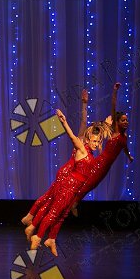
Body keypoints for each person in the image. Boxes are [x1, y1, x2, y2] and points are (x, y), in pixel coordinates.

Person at [28, 108, 96, 256]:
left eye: (98, 141)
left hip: (75, 189)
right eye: (94, 141)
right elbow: (72, 135)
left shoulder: (91, 154)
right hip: (68, 184)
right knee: (52, 210)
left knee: (62, 215)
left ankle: (51, 239)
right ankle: (37, 235)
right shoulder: (82, 148)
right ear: (87, 139)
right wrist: (64, 122)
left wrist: (86, 105)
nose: (96, 144)